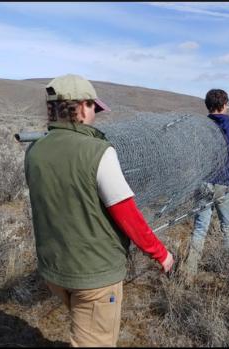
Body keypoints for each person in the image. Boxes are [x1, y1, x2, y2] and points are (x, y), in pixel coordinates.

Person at [24, 74, 174, 347]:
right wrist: (160, 253)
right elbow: (126, 213)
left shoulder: (35, 150)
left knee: (82, 329)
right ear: (81, 107)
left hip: (54, 270)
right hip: (94, 276)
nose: (96, 114)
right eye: (94, 107)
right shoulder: (99, 152)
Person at [183, 88, 229, 278]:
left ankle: (189, 273)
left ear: (209, 106)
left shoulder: (199, 128)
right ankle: (227, 269)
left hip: (203, 184)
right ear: (224, 105)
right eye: (228, 104)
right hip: (224, 186)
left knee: (200, 229)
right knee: (227, 228)